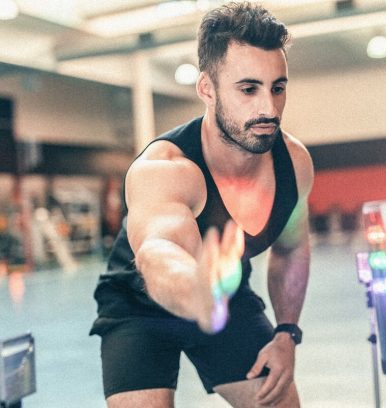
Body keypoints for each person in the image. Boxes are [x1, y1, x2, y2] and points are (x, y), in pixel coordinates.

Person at [89, 2, 313, 407]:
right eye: (248, 89)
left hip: (226, 299)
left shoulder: (293, 164)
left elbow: (292, 248)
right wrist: (195, 290)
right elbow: (158, 251)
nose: (268, 108)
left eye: (277, 88)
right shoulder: (167, 169)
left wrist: (286, 333)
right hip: (139, 309)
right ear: (206, 88)